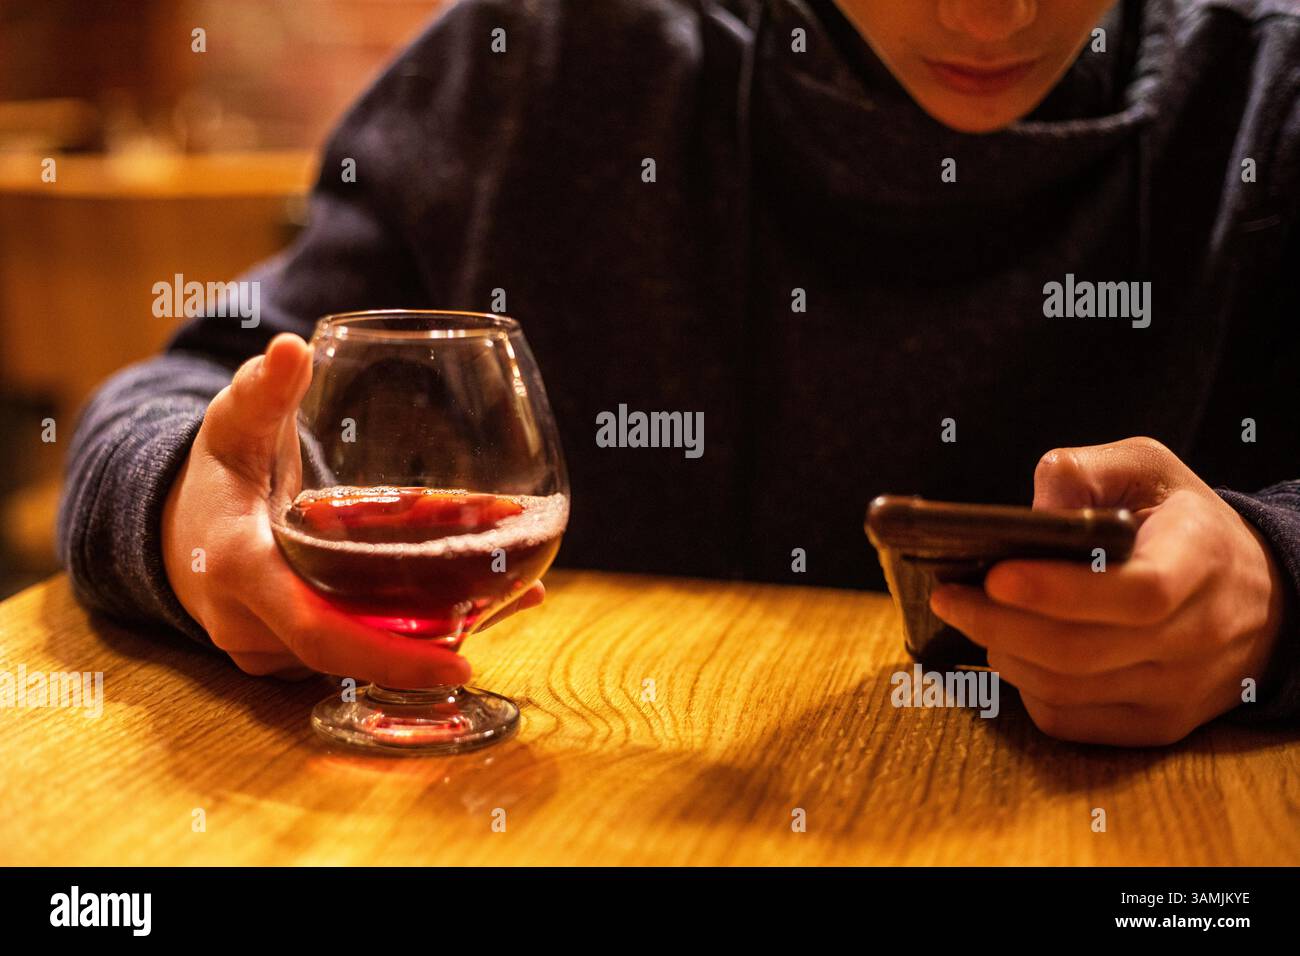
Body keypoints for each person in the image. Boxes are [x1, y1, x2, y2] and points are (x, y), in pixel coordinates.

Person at [59, 0, 1300, 745]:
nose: (984, 18)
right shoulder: (548, 58)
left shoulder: (1267, 86)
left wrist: (1272, 589)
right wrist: (189, 519)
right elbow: (167, 406)